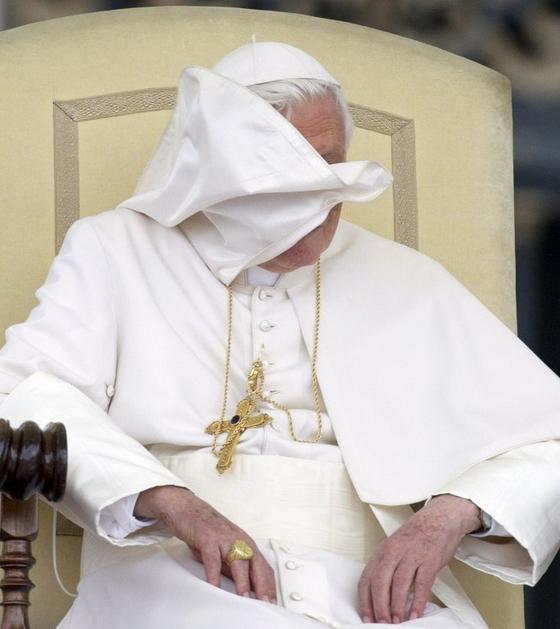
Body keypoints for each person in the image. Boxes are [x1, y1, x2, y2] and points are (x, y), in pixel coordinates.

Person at [1, 42, 560, 629]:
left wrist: (446, 517)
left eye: (327, 172)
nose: (313, 209)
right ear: (215, 174)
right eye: (283, 184)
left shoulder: (405, 278)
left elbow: (548, 436)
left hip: (374, 597)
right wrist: (171, 502)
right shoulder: (115, 249)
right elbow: (24, 395)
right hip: (173, 576)